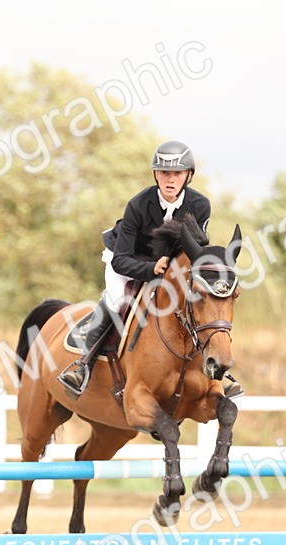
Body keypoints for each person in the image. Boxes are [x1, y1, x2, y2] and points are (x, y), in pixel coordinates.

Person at [57, 140, 211, 397]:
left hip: (168, 266)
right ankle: (83, 365)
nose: (170, 179)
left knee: (197, 302)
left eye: (177, 173)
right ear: (155, 174)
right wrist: (152, 269)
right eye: (164, 172)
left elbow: (194, 251)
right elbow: (120, 260)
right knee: (117, 300)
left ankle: (214, 368)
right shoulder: (138, 205)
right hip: (126, 259)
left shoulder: (200, 205)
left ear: (189, 176)